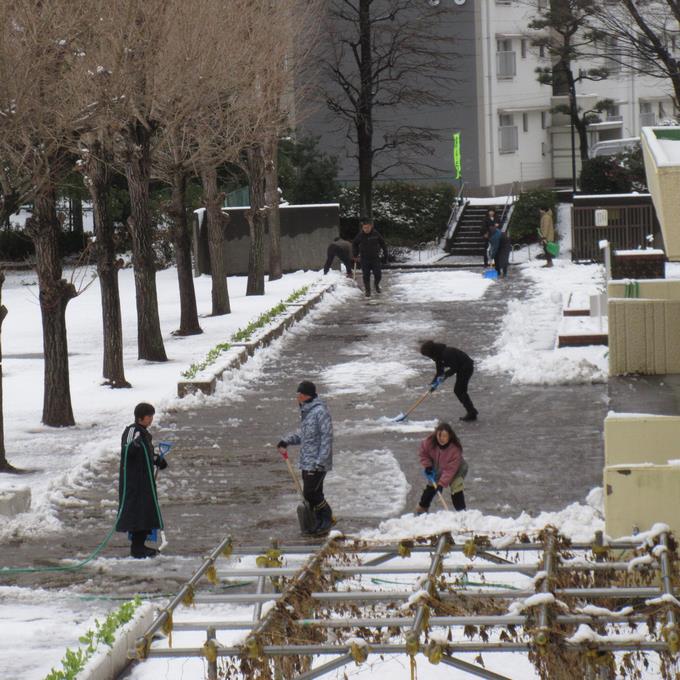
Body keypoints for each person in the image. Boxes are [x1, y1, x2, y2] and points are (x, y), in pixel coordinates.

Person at [277, 381, 334, 536]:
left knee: (310, 493)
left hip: (317, 462)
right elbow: (304, 434)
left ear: (305, 395)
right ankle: (318, 520)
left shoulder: (320, 412)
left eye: (299, 394)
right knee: (314, 493)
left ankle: (327, 517)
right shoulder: (307, 411)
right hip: (307, 461)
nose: (297, 397)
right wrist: (286, 441)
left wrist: (321, 461)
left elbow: (327, 437)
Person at [116, 403, 168, 559]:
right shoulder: (133, 431)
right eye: (149, 416)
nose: (151, 419)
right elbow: (127, 449)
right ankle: (136, 548)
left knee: (146, 512)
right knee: (136, 513)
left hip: (144, 480)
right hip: (133, 482)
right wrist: (134, 446)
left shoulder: (145, 433)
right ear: (140, 417)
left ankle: (141, 545)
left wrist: (156, 459)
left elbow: (146, 453)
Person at [420, 340, 478, 421]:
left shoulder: (446, 353)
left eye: (428, 355)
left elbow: (455, 367)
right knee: (459, 390)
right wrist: (433, 384)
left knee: (459, 390)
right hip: (461, 368)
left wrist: (444, 376)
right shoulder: (437, 356)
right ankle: (472, 412)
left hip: (466, 367)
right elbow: (440, 372)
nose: (429, 357)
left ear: (431, 351)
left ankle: (472, 412)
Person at [416, 422, 467, 514]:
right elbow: (423, 454)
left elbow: (450, 470)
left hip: (456, 469)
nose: (441, 439)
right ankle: (422, 509)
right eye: (439, 436)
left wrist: (441, 484)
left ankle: (462, 513)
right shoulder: (429, 442)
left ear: (450, 436)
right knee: (431, 486)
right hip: (437, 466)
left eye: (444, 436)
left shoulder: (455, 449)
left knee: (456, 487)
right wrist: (427, 465)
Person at [352, 217, 388, 297]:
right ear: (362, 228)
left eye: (367, 228)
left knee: (378, 274)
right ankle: (368, 290)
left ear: (371, 227)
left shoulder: (376, 234)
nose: (366, 229)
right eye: (364, 228)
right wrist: (355, 254)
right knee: (366, 275)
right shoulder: (360, 235)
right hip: (365, 258)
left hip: (375, 258)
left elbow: (383, 243)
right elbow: (354, 243)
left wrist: (385, 254)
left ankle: (376, 285)